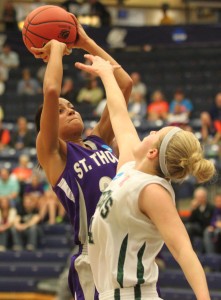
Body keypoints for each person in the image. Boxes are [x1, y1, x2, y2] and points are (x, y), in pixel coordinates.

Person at [74, 54, 216, 300]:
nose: (149, 130)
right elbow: (119, 113)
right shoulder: (130, 167)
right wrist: (106, 74)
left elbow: (182, 249)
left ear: (152, 152)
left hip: (132, 295)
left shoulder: (152, 189)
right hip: (112, 293)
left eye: (155, 132)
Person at [31, 15, 132, 300]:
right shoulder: (54, 153)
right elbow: (51, 90)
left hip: (132, 246)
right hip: (97, 256)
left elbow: (123, 85)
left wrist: (84, 41)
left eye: (71, 106)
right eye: (61, 111)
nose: (70, 110)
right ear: (48, 125)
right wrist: (54, 50)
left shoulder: (99, 139)